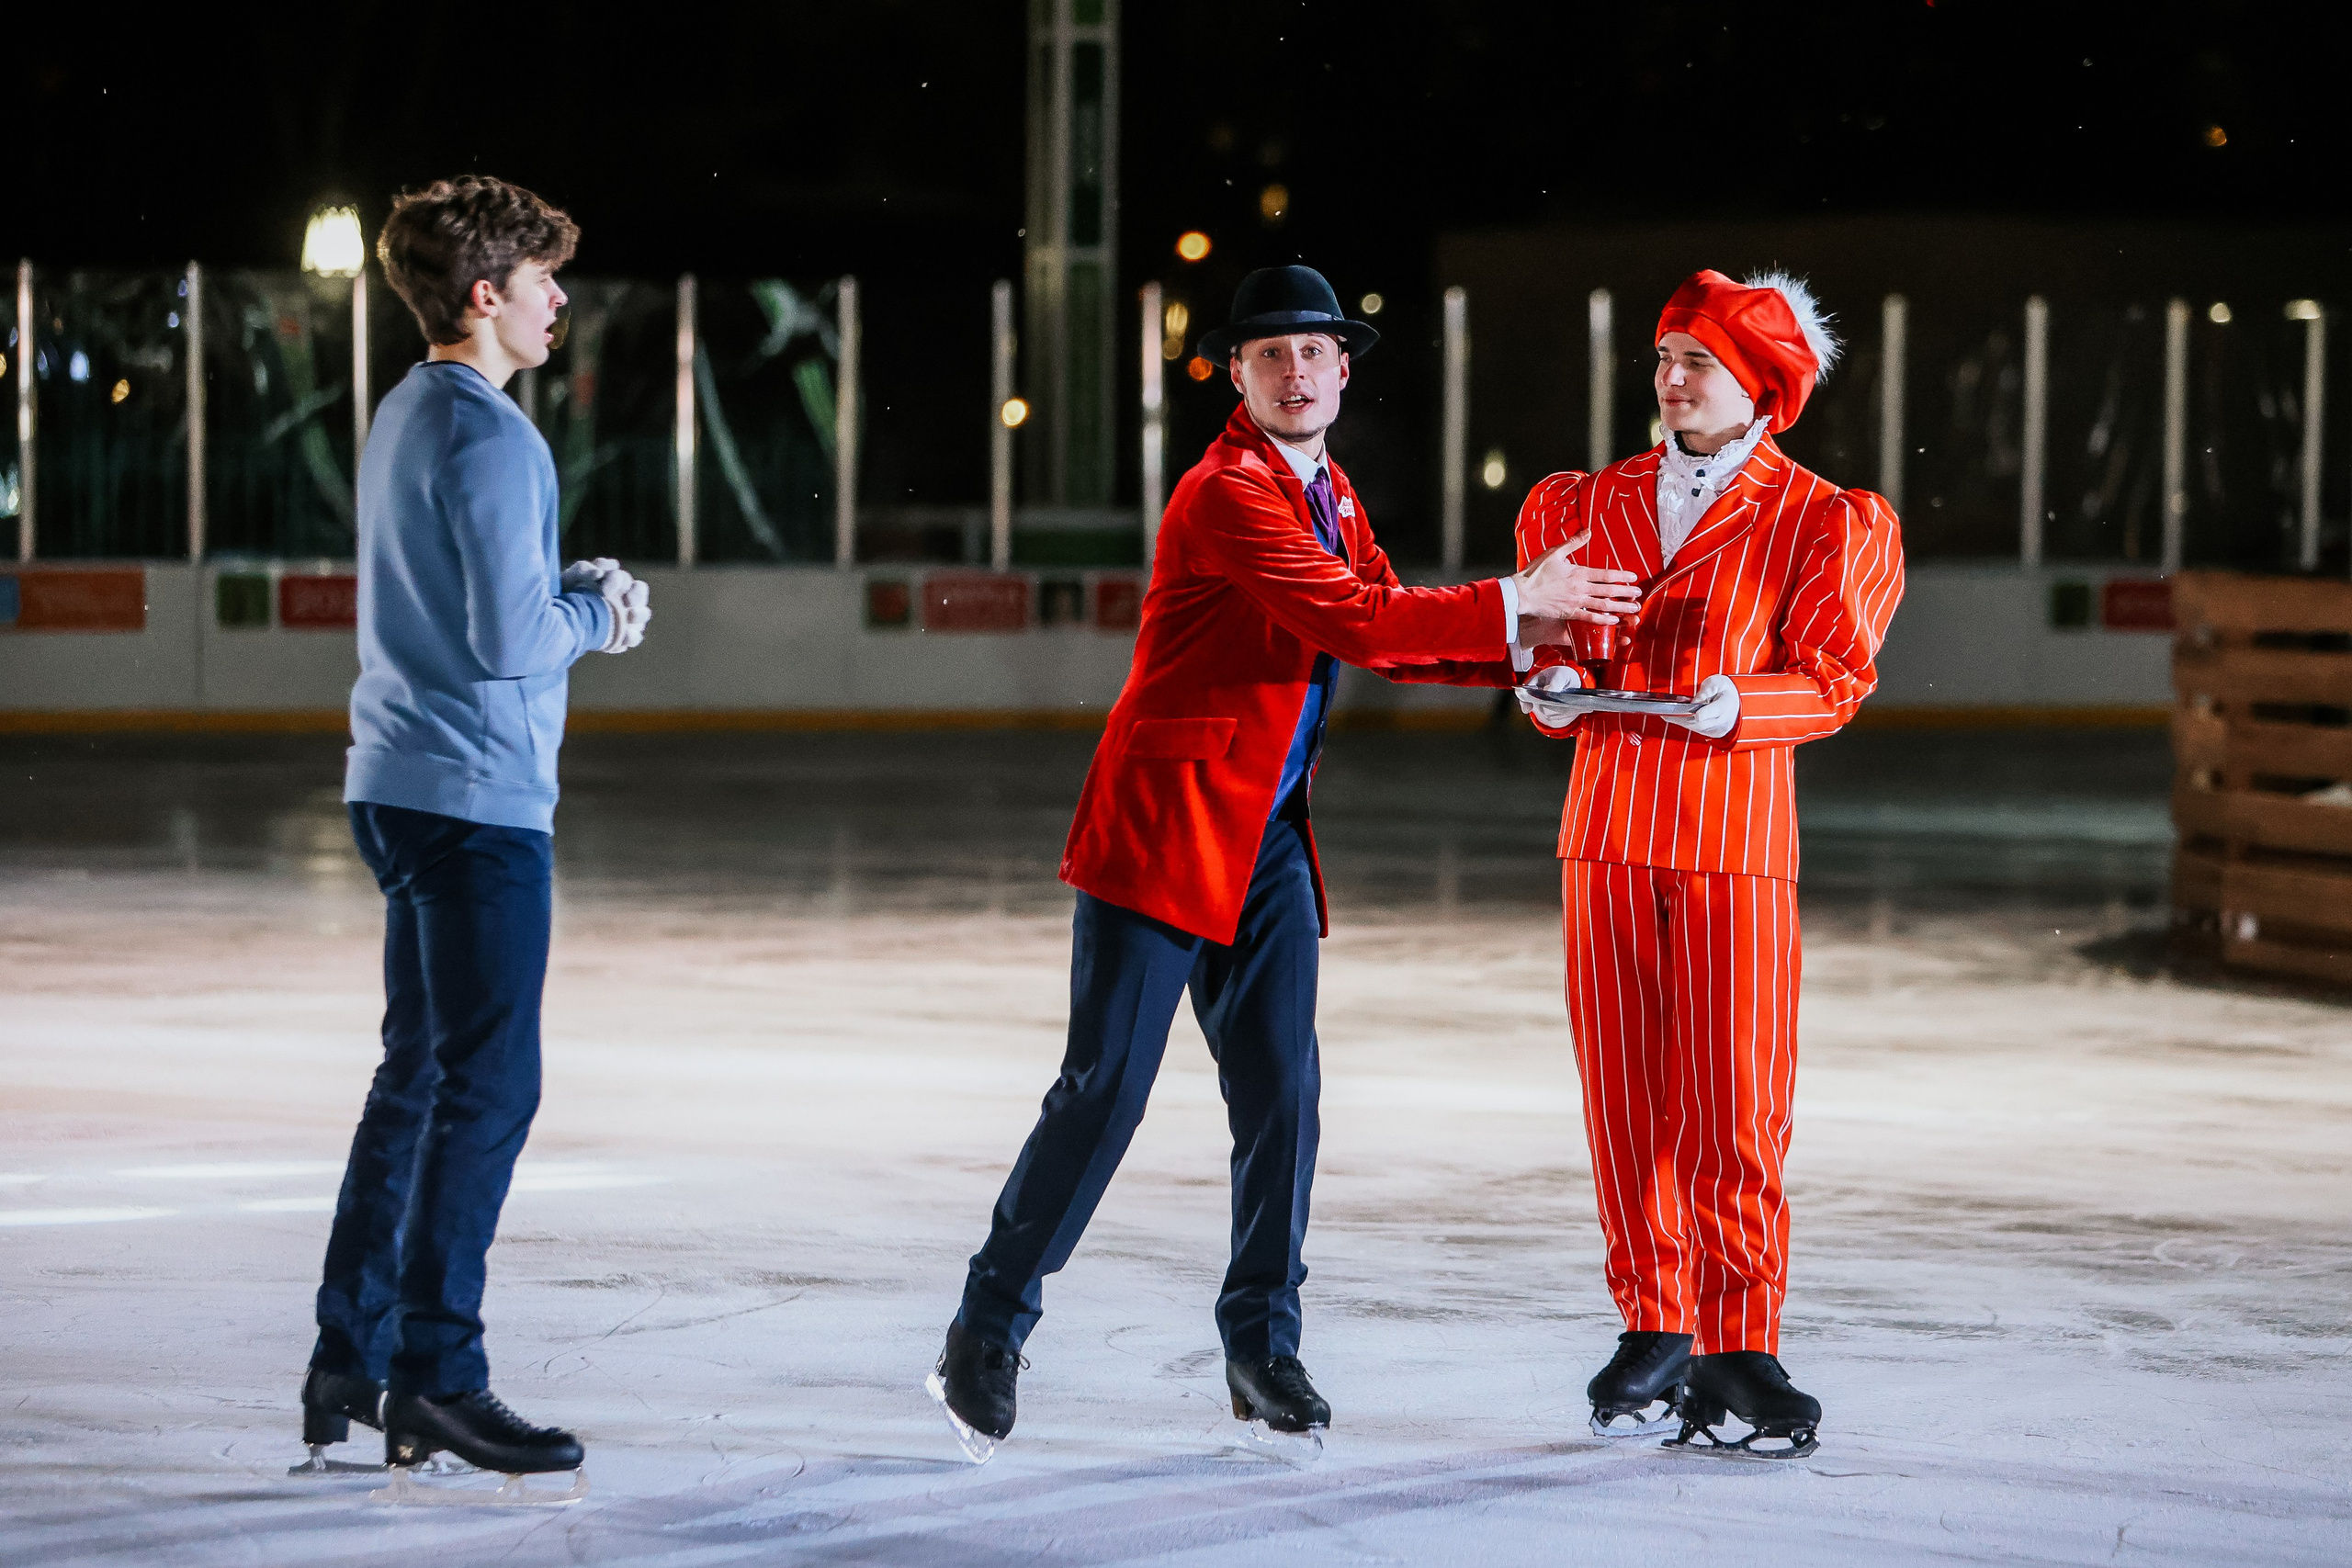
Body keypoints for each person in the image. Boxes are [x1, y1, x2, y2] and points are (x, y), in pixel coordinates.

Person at [928, 265, 1638, 1460]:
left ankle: (1261, 1345)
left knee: (1284, 1100)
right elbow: (1358, 622)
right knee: (1103, 1093)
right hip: (1163, 833)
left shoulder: (1330, 490)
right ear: (1238, 375)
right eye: (1271, 357)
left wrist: (1529, 661)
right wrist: (1520, 600)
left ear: (1344, 369)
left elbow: (1384, 621)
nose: (1297, 373)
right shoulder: (1227, 495)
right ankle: (988, 1324)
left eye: (1314, 354)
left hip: (1265, 845)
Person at [1512, 270, 1905, 1457]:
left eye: (1697, 362)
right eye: (1665, 357)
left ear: (1761, 387)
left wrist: (1743, 703)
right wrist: (1546, 691)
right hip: (1608, 834)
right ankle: (1656, 1319)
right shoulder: (1584, 503)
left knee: (1736, 1105)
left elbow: (1835, 682)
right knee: (1625, 1100)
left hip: (1733, 844)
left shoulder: (1824, 518)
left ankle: (1739, 1338)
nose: (1670, 380)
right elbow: (1542, 670)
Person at [299, 176, 650, 1482]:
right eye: (541, 278)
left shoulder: (405, 412)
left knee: (417, 1077)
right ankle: (436, 1375)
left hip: (395, 784)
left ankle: (352, 1352)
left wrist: (555, 591)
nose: (561, 298)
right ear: (483, 296)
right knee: (487, 1087)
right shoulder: (499, 438)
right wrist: (597, 615)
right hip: (473, 802)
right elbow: (510, 641)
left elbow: (469, 606)